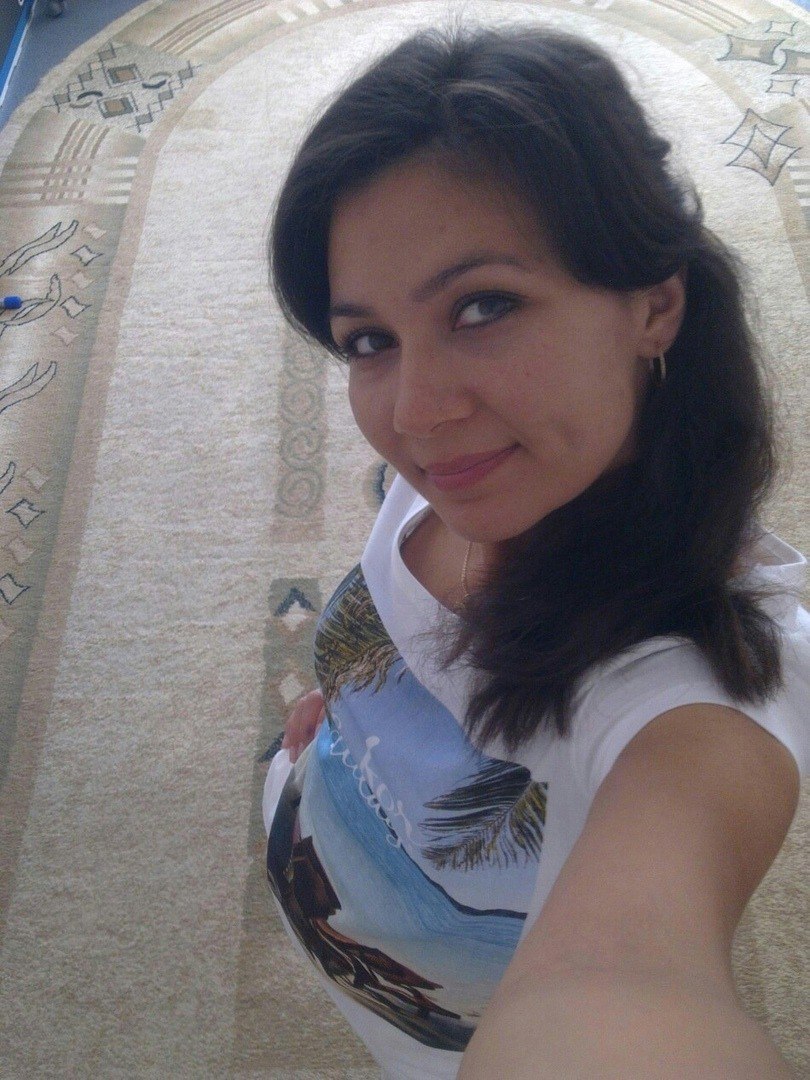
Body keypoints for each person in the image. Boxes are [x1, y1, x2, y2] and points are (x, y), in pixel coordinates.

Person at [262, 22, 808, 1080]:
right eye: (370, 340)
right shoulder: (493, 467)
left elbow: (624, 993)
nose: (414, 413)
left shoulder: (701, 689)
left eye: (483, 307)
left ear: (655, 304)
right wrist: (351, 725)